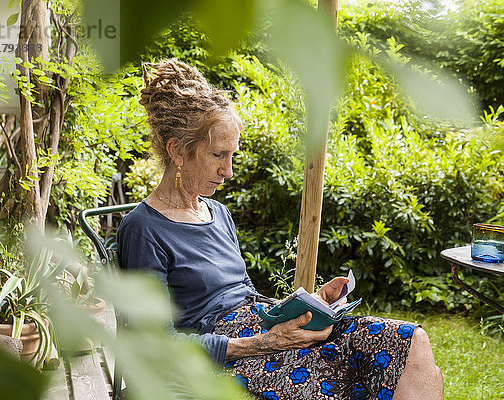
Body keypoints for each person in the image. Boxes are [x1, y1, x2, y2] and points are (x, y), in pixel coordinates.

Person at [117, 59, 444, 400]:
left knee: (410, 343)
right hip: (229, 356)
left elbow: (243, 294)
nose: (228, 171)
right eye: (218, 155)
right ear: (177, 151)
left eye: (232, 155)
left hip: (266, 328)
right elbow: (155, 341)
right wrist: (263, 344)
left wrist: (308, 305)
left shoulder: (217, 213)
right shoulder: (143, 229)